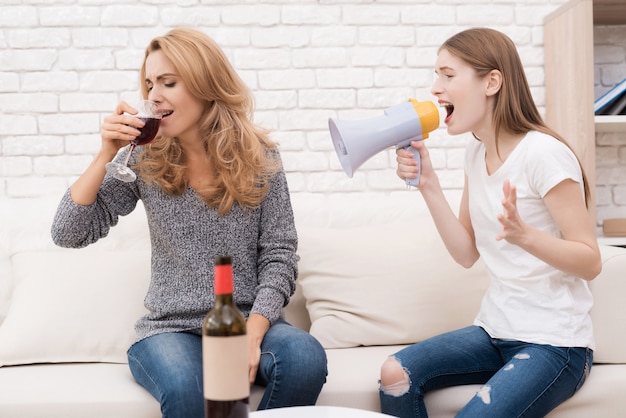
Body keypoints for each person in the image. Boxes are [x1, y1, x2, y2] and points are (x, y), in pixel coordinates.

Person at [51, 27, 327, 418]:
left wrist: (253, 331)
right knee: (187, 389)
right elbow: (67, 233)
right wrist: (104, 155)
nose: (153, 95)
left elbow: (280, 255)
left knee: (305, 358)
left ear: (204, 84)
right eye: (149, 84)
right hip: (170, 330)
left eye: (168, 82)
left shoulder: (261, 158)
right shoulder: (142, 160)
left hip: (247, 319)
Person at [379, 27, 601, 418]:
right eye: (437, 76)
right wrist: (428, 183)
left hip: (555, 344)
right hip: (495, 329)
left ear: (492, 82)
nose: (436, 88)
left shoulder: (543, 154)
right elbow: (466, 253)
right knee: (394, 373)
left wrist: (525, 236)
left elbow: (590, 260)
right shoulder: (475, 152)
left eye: (448, 75)